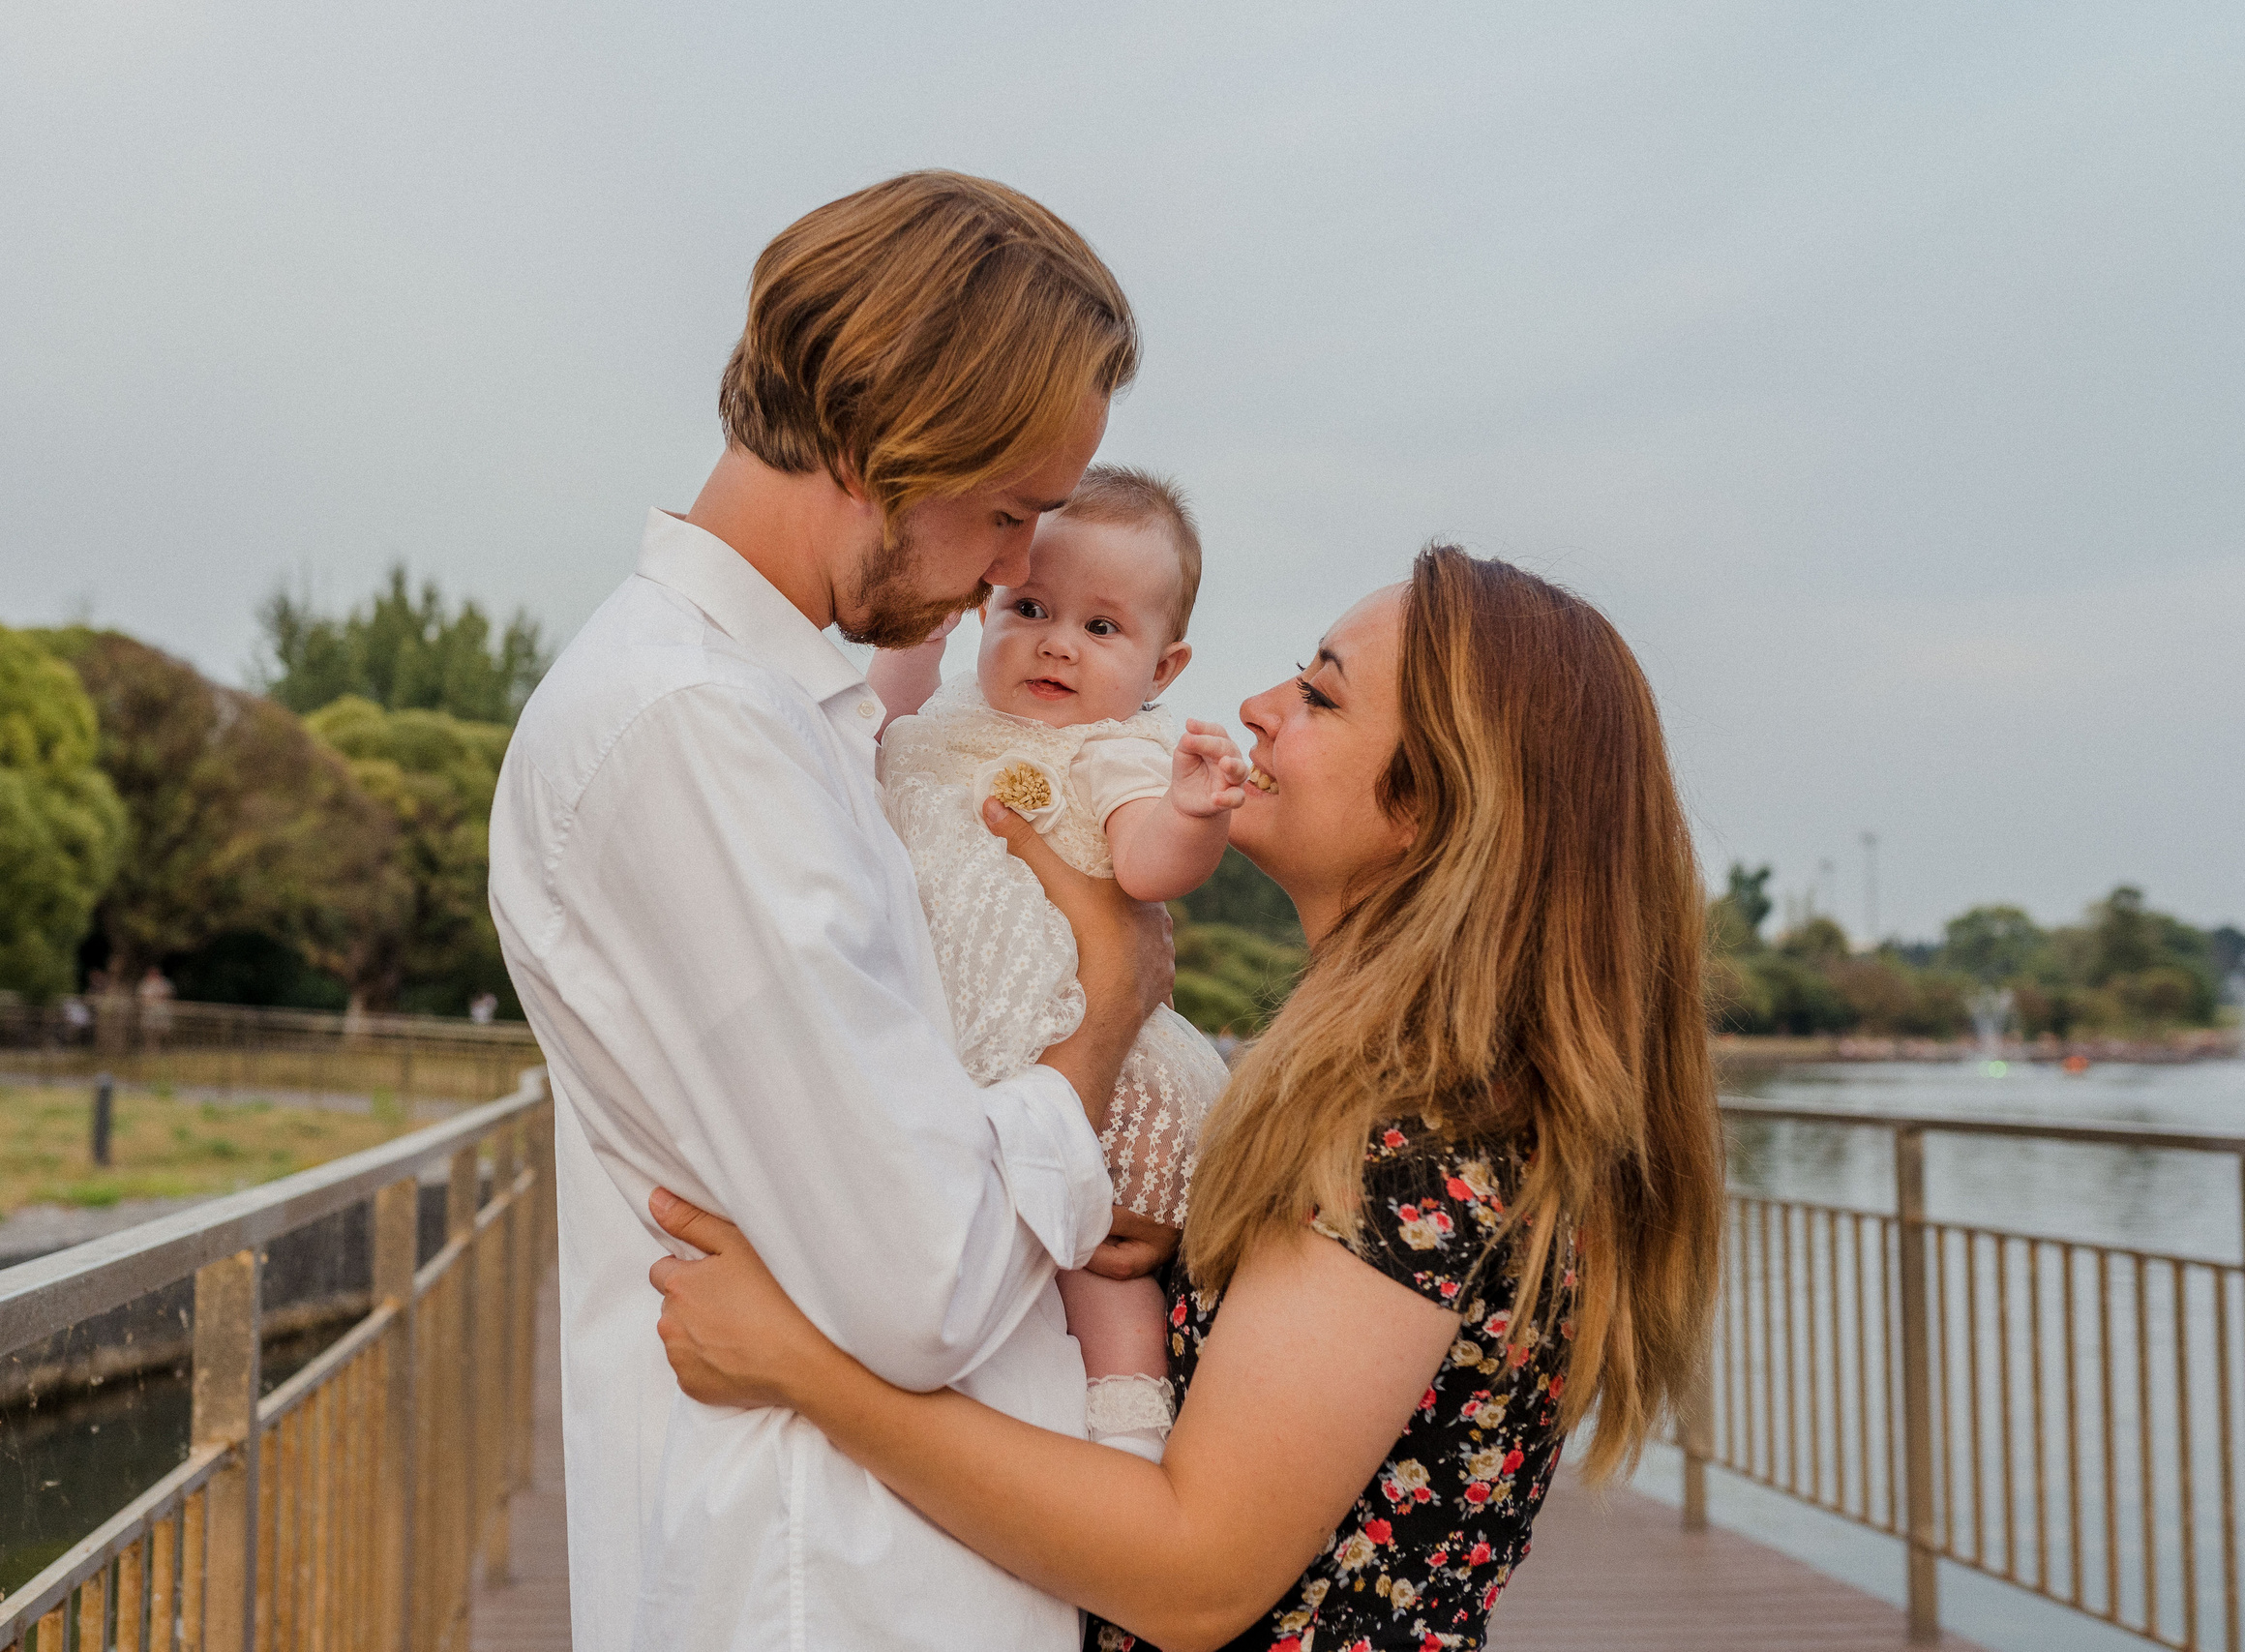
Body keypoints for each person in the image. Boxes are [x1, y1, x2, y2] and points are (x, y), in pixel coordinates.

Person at [646, 548, 1727, 1652]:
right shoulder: (1418, 1109)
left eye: (1316, 693)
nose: (1256, 709)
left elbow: (1190, 1575)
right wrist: (1188, 1243)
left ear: (1431, 801)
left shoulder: (1419, 1150)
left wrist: (799, 1367)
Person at [488, 171, 1172, 1652]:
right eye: (1006, 511)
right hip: (831, 1587)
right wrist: (1100, 1028)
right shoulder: (693, 726)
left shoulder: (779, 713)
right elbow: (918, 1277)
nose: (1011, 570)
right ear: (881, 434)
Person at [868, 465, 1243, 1461]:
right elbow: (873, 721)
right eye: (1028, 606)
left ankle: (1128, 1422)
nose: (1056, 643)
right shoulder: (941, 729)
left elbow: (1144, 863)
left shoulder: (1114, 753)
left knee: (1103, 1259)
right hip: (979, 1051)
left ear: (1163, 671)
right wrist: (917, 623)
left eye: (1102, 628)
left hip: (1095, 1064)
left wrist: (1194, 815)